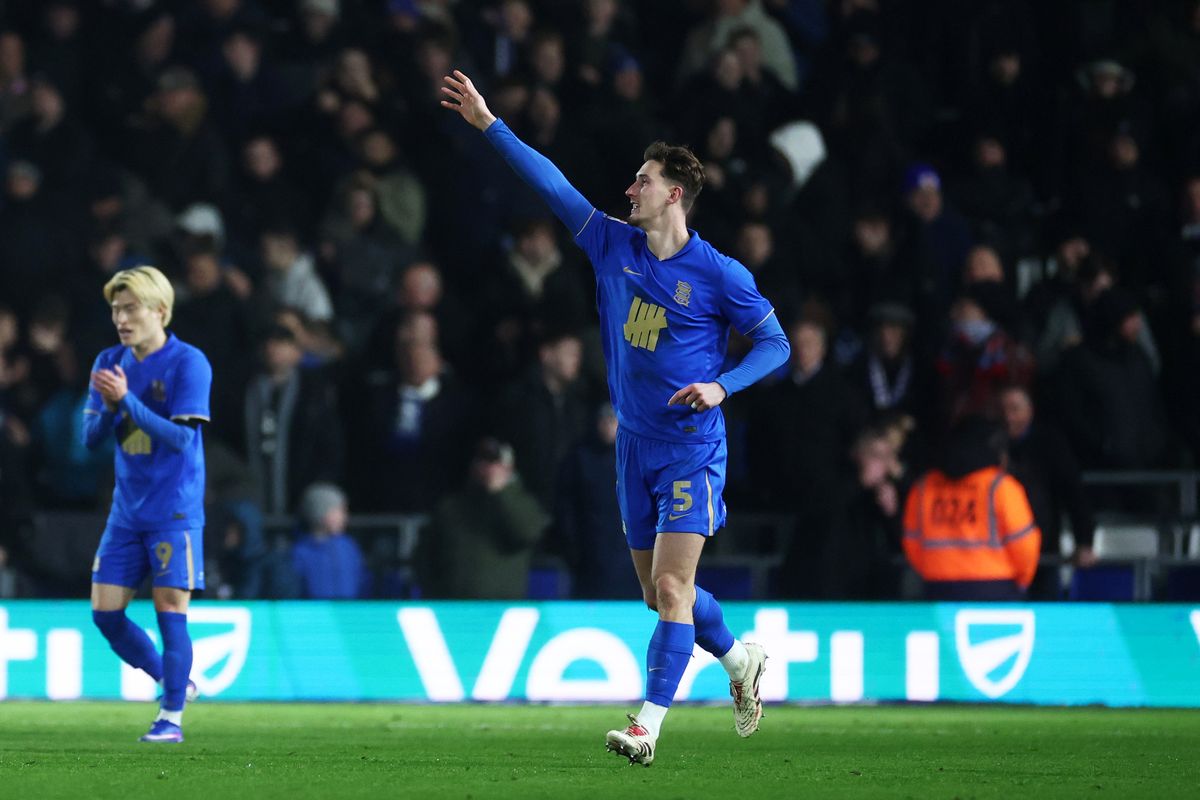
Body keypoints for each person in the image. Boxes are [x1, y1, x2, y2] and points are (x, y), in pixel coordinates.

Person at [441, 68, 790, 765]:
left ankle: (647, 726)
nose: (630, 189)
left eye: (643, 180)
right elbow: (552, 186)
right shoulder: (611, 244)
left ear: (674, 193)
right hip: (634, 448)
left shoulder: (720, 273)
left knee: (673, 587)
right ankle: (739, 660)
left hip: (691, 447)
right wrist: (489, 124)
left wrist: (722, 387)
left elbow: (775, 343)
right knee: (661, 597)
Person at [81, 266, 211, 743]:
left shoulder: (189, 363)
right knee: (105, 615)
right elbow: (90, 438)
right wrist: (110, 406)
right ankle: (171, 679)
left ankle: (170, 718)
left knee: (169, 612)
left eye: (131, 308)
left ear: (160, 310)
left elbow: (181, 438)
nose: (121, 318)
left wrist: (127, 401)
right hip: (126, 513)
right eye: (116, 309)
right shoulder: (109, 361)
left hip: (173, 511)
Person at [901, 416, 1041, 601]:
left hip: (937, 586)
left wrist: (934, 570)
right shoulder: (1000, 487)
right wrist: (1022, 581)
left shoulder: (923, 486)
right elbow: (1024, 545)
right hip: (996, 588)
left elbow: (912, 541)